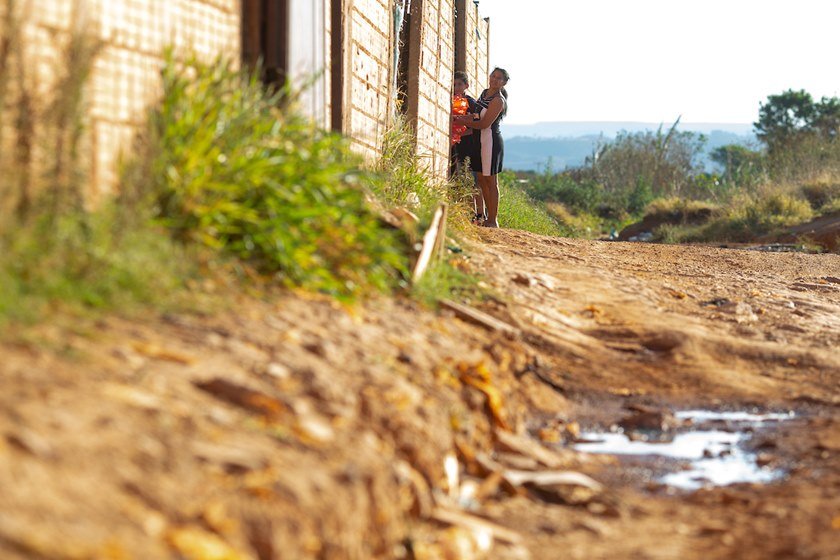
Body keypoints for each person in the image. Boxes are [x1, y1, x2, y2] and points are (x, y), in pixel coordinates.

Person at [455, 67, 509, 228]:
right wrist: (464, 117)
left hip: (490, 142)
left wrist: (463, 122)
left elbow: (485, 123)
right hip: (478, 142)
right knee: (482, 180)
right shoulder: (485, 93)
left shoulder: (498, 100)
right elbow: (477, 116)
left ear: (504, 83)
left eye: (499, 78)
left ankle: (493, 220)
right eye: (493, 76)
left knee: (491, 181)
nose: (494, 79)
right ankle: (487, 219)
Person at [450, 71, 484, 223]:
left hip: (469, 145)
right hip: (456, 145)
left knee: (472, 181)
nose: (456, 87)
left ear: (466, 86)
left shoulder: (471, 102)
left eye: (459, 84)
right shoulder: (450, 100)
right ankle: (468, 213)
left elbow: (476, 123)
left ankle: (480, 214)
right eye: (454, 84)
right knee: (460, 179)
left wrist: (461, 129)